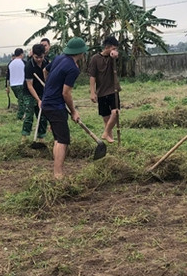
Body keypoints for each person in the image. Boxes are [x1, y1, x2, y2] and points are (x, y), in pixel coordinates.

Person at [41, 37, 88, 179]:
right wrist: (73, 111)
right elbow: (66, 93)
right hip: (55, 106)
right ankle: (58, 174)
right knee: (63, 140)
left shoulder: (58, 58)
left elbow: (45, 70)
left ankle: (57, 170)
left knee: (58, 138)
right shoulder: (73, 68)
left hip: (46, 103)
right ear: (80, 53)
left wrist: (49, 86)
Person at [88, 36, 121, 144]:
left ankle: (106, 132)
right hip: (101, 92)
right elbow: (92, 76)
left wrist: (115, 55)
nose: (114, 51)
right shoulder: (95, 59)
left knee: (115, 112)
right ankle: (109, 138)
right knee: (106, 117)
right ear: (107, 47)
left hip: (113, 90)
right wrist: (92, 92)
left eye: (116, 49)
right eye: (113, 48)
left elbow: (117, 57)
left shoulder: (113, 58)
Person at [22, 44, 49, 142]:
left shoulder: (46, 63)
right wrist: (38, 100)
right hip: (29, 92)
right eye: (36, 57)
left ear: (44, 54)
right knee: (29, 115)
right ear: (32, 54)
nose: (39, 59)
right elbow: (29, 85)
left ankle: (41, 139)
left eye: (41, 57)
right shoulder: (29, 66)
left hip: (42, 91)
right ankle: (24, 139)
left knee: (42, 116)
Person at [6, 48, 28, 120]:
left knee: (20, 99)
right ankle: (20, 116)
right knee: (21, 101)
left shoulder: (10, 63)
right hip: (21, 84)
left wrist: (7, 86)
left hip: (13, 85)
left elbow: (8, 76)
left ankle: (24, 114)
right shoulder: (24, 63)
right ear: (21, 54)